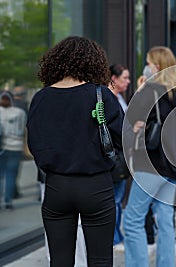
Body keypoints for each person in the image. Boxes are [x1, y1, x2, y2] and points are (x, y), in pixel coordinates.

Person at [27, 36, 123, 266]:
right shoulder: (101, 95)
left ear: (56, 61)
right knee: (100, 260)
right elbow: (121, 139)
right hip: (96, 186)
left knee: (59, 261)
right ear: (93, 63)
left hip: (56, 186)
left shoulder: (41, 98)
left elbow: (34, 144)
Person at [123, 46, 176, 267]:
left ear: (157, 66)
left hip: (150, 163)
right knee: (165, 221)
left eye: (148, 61)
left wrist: (139, 90)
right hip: (173, 165)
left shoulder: (149, 90)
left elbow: (129, 119)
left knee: (132, 220)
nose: (146, 65)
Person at [108, 64, 131, 252]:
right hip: (115, 157)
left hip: (122, 156)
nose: (128, 81)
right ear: (113, 78)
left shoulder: (120, 99)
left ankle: (117, 235)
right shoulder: (110, 100)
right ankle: (114, 238)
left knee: (118, 199)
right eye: (125, 77)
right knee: (115, 200)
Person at [0, 91, 26, 209]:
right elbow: (23, 129)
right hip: (15, 147)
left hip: (2, 147)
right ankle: (8, 200)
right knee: (11, 175)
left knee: (1, 176)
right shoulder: (20, 113)